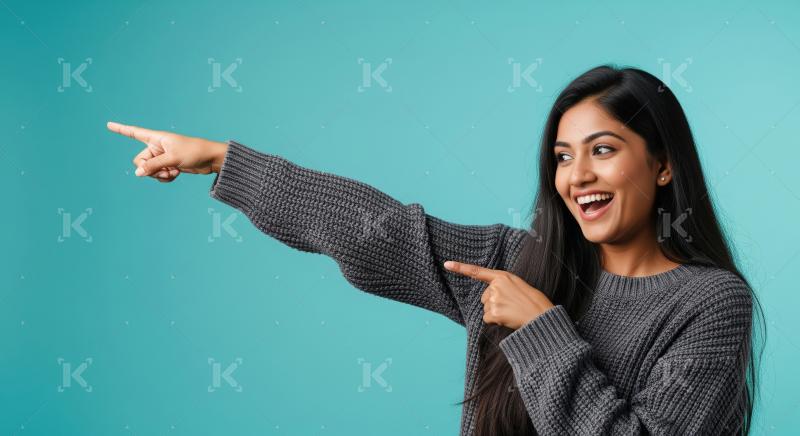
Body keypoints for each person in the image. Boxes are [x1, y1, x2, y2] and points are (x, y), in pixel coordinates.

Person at [107, 64, 764, 435]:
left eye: (603, 151)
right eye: (563, 157)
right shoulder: (517, 262)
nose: (577, 176)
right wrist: (226, 161)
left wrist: (544, 333)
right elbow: (374, 231)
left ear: (662, 166)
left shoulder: (710, 302)